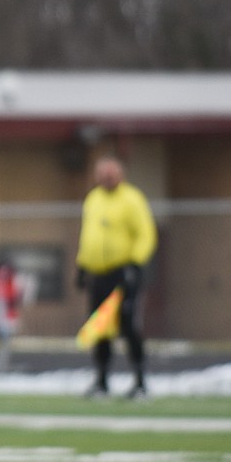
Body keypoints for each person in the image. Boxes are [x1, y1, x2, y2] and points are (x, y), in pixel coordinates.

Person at [75, 156, 158, 399]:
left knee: (128, 325)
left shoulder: (131, 199)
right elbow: (89, 236)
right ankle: (102, 381)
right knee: (99, 327)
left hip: (122, 272)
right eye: (102, 174)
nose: (106, 179)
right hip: (97, 273)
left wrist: (135, 263)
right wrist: (82, 266)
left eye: (110, 174)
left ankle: (140, 381)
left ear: (120, 175)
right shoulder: (94, 199)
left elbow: (145, 234)